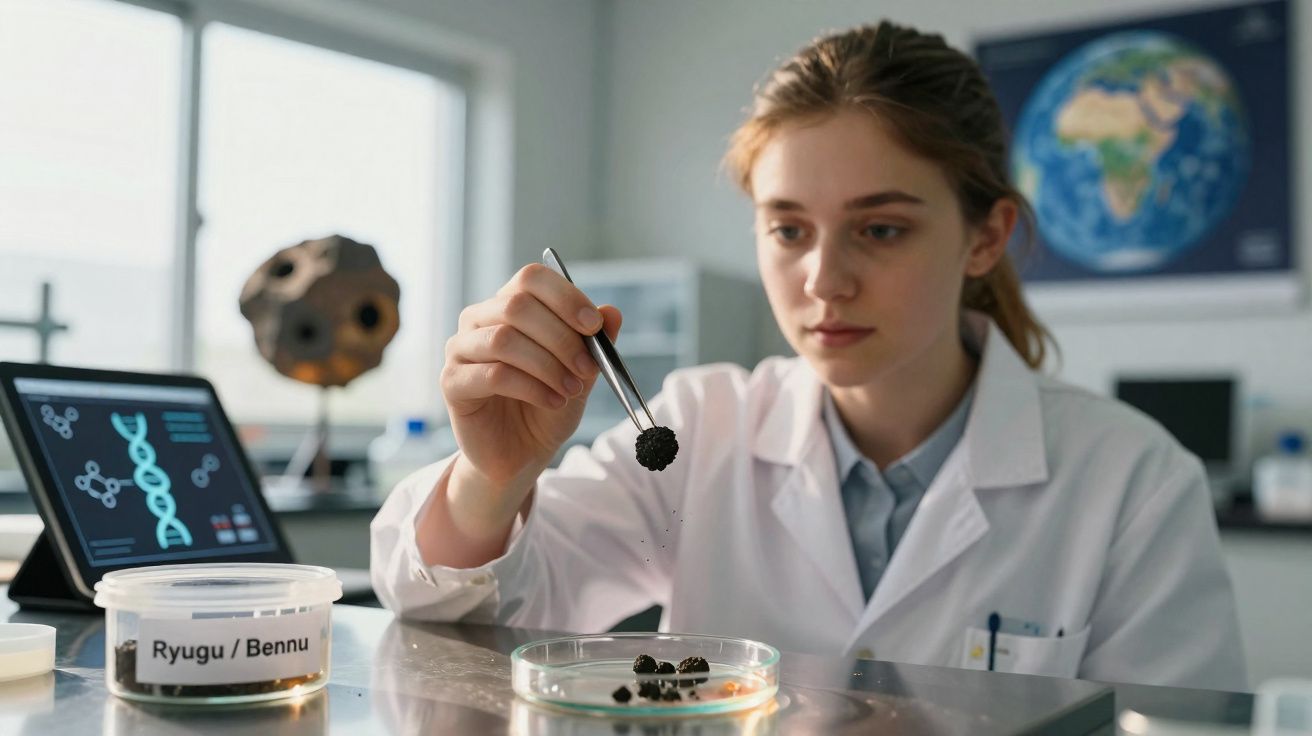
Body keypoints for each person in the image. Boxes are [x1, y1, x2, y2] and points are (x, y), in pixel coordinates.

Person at [370, 21, 1246, 690]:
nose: (824, 280)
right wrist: (496, 478)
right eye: (788, 228)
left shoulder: (1133, 482)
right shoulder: (698, 427)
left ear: (987, 237)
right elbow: (473, 621)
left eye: (881, 229)